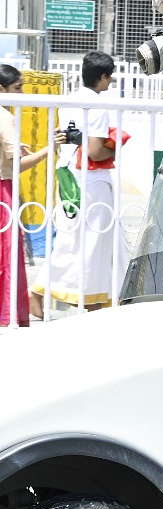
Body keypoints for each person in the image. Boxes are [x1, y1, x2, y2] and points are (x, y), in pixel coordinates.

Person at [30, 51, 128, 318]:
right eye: (109, 78)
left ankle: (73, 296)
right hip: (90, 179)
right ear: (104, 77)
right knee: (92, 240)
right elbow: (96, 150)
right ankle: (63, 296)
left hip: (67, 175)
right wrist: (114, 150)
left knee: (72, 238)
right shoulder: (97, 105)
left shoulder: (68, 100)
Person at [0, 65, 65, 327]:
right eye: (17, 88)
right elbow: (16, 165)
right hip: (3, 190)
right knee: (8, 255)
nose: (22, 93)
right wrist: (49, 149)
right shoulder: (6, 117)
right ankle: (8, 314)